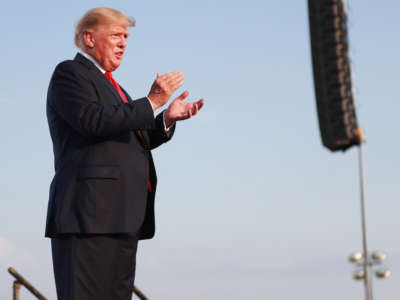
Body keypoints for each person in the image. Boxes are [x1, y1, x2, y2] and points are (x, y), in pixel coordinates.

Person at [45, 7, 204, 300]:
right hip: (87, 218)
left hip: (122, 218)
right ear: (89, 38)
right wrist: (152, 100)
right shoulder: (69, 73)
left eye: (127, 38)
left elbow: (132, 138)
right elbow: (93, 121)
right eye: (117, 35)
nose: (123, 43)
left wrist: (166, 118)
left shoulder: (115, 89)